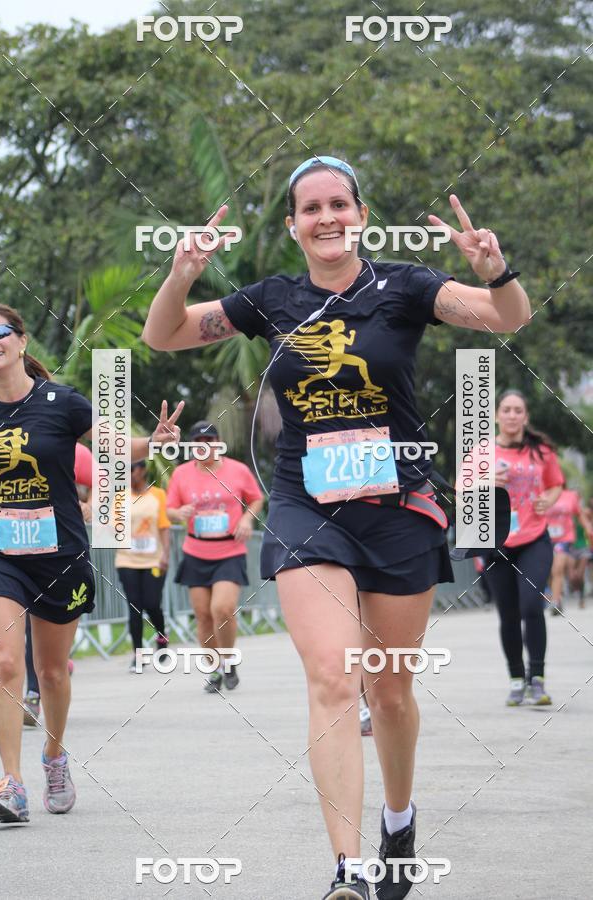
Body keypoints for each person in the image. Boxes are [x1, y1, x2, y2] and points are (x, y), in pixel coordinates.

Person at [142, 155, 531, 899]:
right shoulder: (270, 300)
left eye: (339, 204)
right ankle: (348, 870)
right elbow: (166, 336)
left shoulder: (406, 285)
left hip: (397, 510)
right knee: (332, 677)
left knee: (388, 693)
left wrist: (495, 268)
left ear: (360, 214)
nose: (327, 218)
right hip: (304, 505)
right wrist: (181, 273)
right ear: (293, 225)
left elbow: (508, 318)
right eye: (311, 208)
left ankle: (399, 817)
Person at [0, 301, 183, 824]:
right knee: (6, 663)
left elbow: (114, 445)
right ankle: (12, 783)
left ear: (21, 342)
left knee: (51, 672)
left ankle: (54, 755)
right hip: (0, 552)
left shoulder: (61, 402)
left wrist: (154, 442)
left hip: (58, 554)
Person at [166, 421, 263, 693]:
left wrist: (246, 519)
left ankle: (229, 659)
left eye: (209, 440)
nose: (204, 445)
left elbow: (256, 499)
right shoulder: (182, 474)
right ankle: (215, 669)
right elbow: (169, 509)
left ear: (218, 443)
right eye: (198, 441)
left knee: (222, 608)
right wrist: (179, 513)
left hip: (229, 550)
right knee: (203, 615)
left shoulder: (238, 470)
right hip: (196, 551)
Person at [486, 390, 563, 709]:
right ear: (496, 416)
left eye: (519, 410)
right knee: (508, 613)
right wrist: (485, 480)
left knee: (531, 606)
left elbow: (556, 482)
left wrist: (551, 498)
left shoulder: (541, 451)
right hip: (495, 540)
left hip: (533, 537)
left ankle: (537, 679)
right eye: (507, 409)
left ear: (525, 417)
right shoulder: (482, 452)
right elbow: (460, 490)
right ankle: (516, 680)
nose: (513, 415)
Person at [23, 442, 93, 726]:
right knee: (29, 622)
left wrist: (91, 504)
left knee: (55, 627)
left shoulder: (80, 452)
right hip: (20, 548)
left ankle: (58, 663)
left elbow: (108, 481)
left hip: (64, 549)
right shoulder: (11, 438)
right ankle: (32, 693)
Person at [115, 461, 171, 672]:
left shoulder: (158, 495)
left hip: (153, 560)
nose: (127, 475)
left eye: (130, 470)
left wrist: (166, 554)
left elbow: (164, 527)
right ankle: (138, 655)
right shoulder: (120, 498)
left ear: (141, 471)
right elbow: (112, 527)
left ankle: (162, 637)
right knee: (135, 607)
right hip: (127, 560)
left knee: (152, 603)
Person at [546, 485, 593, 615]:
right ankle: (558, 596)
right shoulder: (539, 492)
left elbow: (581, 515)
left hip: (566, 540)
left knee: (558, 568)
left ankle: (555, 601)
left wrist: (589, 528)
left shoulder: (571, 497)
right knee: (549, 570)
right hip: (544, 538)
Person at [567, 496, 593, 609]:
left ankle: (581, 598)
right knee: (573, 576)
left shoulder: (586, 512)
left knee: (581, 574)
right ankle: (576, 591)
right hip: (572, 547)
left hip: (584, 547)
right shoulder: (569, 514)